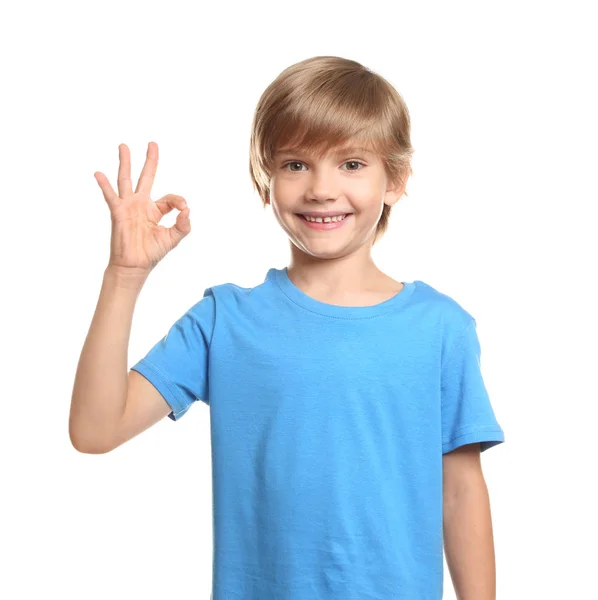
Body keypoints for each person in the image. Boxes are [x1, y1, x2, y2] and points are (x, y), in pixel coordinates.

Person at [70, 55, 505, 600]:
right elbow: (94, 430)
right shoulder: (223, 321)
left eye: (351, 164)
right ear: (265, 181)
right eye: (297, 164)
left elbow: (461, 492)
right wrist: (124, 276)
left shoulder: (441, 328)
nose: (322, 189)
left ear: (395, 180)